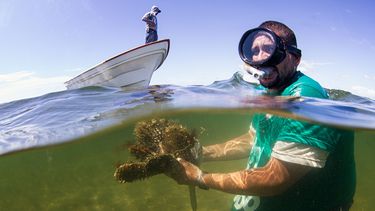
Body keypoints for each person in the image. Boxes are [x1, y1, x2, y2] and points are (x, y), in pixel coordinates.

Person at [169, 20, 356, 211]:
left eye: (269, 49)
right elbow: (254, 138)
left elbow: (275, 179)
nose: (261, 58)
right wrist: (201, 152)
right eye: (254, 51)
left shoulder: (306, 96)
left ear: (296, 58)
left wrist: (200, 177)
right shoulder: (267, 90)